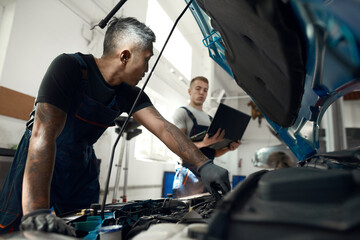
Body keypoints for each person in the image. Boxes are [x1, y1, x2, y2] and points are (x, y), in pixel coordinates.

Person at [0, 17, 230, 236]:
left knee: (82, 227)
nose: (147, 69)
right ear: (125, 56)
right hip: (38, 160)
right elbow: (43, 135)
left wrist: (203, 164)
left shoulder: (129, 94)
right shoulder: (69, 67)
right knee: (23, 229)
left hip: (81, 167)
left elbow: (163, 127)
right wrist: (37, 209)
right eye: (147, 59)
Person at [172, 76, 241, 198]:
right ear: (189, 91)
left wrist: (228, 148)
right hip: (188, 173)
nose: (202, 92)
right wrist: (203, 143)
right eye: (198, 88)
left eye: (205, 90)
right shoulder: (182, 112)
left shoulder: (210, 120)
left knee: (205, 210)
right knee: (186, 212)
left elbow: (212, 153)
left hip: (208, 171)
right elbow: (178, 147)